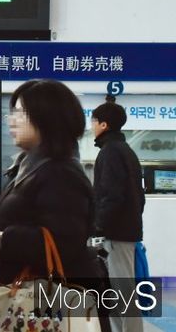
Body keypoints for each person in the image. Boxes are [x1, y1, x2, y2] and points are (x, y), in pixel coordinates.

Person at [0, 79, 98, 289]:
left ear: (47, 118)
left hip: (47, 296)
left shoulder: (60, 173)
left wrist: (5, 242)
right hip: (25, 290)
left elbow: (64, 242)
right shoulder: (28, 166)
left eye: (20, 113)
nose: (12, 121)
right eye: (12, 113)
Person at [91, 97, 145, 332]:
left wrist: (97, 226)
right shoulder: (125, 151)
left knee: (123, 293)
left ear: (104, 125)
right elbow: (138, 196)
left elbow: (112, 196)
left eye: (94, 121)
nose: (92, 126)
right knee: (116, 292)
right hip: (124, 230)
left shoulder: (110, 152)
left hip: (117, 234)